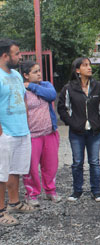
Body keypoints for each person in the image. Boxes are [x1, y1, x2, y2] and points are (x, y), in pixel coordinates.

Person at [57, 57, 100, 202]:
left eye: (89, 65)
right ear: (77, 70)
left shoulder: (98, 86)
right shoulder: (69, 88)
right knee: (77, 162)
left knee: (94, 161)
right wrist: (72, 123)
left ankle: (96, 191)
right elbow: (62, 108)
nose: (89, 68)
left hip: (94, 131)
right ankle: (77, 191)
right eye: (85, 65)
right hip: (76, 132)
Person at [0, 39, 37, 227]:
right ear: (5, 55)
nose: (19, 56)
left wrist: (26, 122)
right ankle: (0, 211)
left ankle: (14, 203)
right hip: (4, 133)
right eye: (16, 53)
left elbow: (23, 99)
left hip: (21, 130)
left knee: (16, 170)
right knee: (1, 172)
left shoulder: (15, 75)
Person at [20, 60, 61, 206]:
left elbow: (51, 95)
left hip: (49, 132)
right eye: (35, 72)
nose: (39, 74)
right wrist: (27, 87)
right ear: (25, 75)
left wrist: (32, 86)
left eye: (39, 71)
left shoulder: (45, 85)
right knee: (31, 167)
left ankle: (50, 191)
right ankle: (32, 194)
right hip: (31, 135)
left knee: (51, 164)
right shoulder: (21, 90)